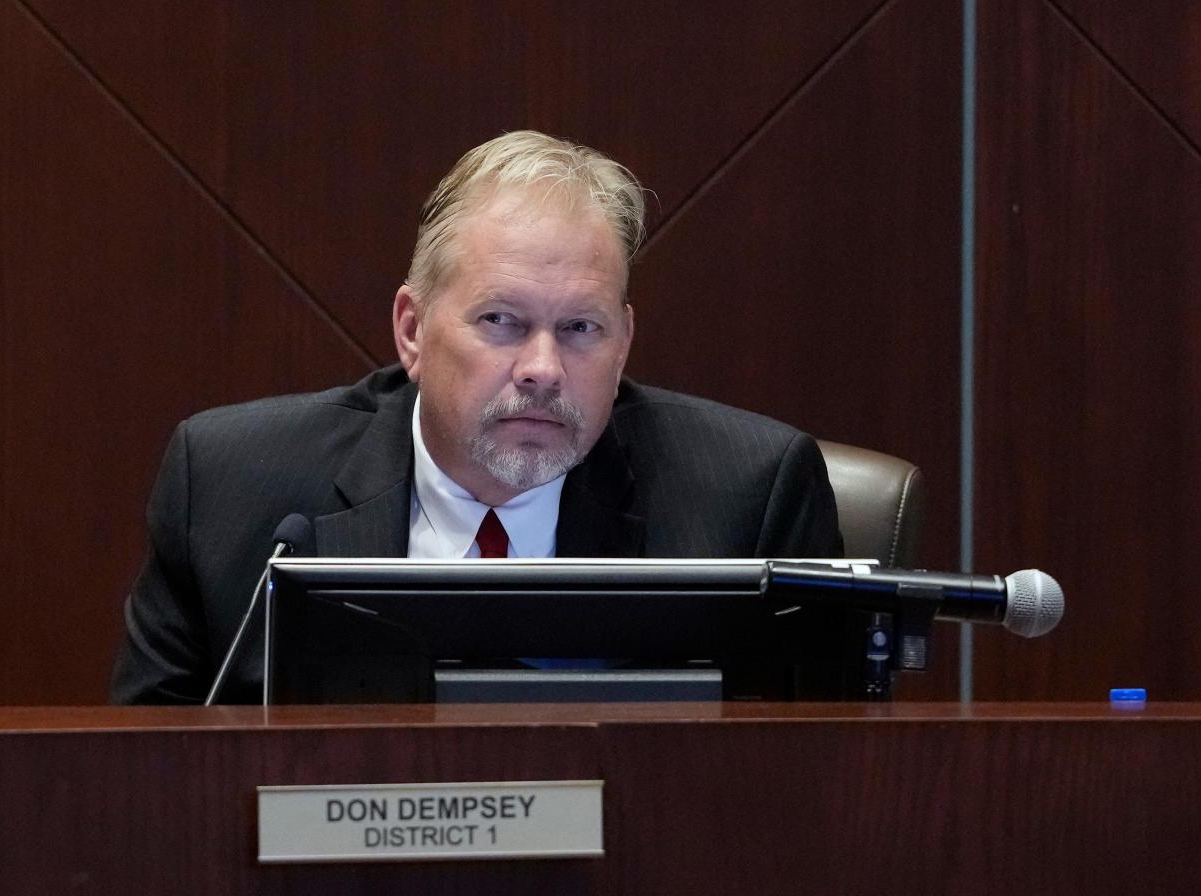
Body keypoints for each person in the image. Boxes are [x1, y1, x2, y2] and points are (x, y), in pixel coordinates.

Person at [111, 131, 843, 704]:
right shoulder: (227, 487)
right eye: (501, 320)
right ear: (411, 330)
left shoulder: (746, 498)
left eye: (581, 329)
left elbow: (809, 793)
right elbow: (147, 785)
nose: (544, 369)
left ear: (623, 344)